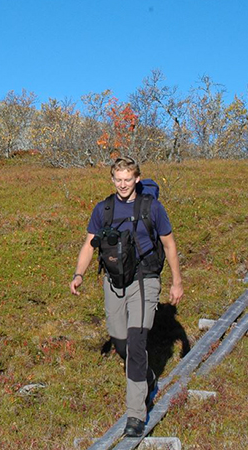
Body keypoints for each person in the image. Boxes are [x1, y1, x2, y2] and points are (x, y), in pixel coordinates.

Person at [69, 156, 183, 437]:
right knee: (121, 341)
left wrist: (176, 282)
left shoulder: (152, 207)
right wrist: (79, 274)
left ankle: (135, 414)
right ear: (112, 180)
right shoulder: (103, 209)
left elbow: (169, 245)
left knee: (136, 342)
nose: (122, 184)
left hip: (145, 280)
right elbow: (89, 244)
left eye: (127, 179)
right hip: (114, 281)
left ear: (137, 179)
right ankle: (147, 377)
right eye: (118, 179)